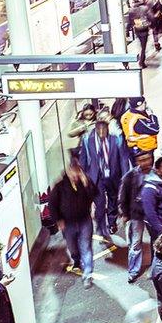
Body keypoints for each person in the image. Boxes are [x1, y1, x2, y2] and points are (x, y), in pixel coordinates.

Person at [48, 160, 97, 289]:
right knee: (72, 247)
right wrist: (58, 220)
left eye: (77, 173)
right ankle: (76, 259)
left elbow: (95, 194)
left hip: (84, 220)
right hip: (68, 224)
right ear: (68, 172)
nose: (75, 176)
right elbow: (52, 204)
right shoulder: (60, 186)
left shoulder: (85, 182)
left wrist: (87, 185)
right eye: (73, 174)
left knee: (86, 247)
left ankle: (87, 274)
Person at [78, 119, 125, 240]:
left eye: (105, 130)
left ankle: (112, 222)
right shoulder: (88, 141)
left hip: (113, 175)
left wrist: (124, 176)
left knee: (113, 199)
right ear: (95, 130)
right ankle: (101, 226)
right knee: (100, 203)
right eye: (100, 130)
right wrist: (83, 176)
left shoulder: (116, 140)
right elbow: (83, 159)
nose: (102, 133)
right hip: (96, 177)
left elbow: (122, 159)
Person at [119, 151, 154, 283]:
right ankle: (133, 270)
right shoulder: (130, 176)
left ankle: (154, 267)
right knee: (135, 243)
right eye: (142, 160)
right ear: (137, 162)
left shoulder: (155, 173)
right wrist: (125, 213)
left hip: (152, 214)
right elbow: (123, 196)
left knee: (156, 242)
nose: (145, 162)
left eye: (147, 159)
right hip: (136, 215)